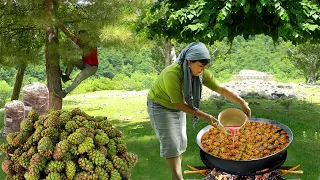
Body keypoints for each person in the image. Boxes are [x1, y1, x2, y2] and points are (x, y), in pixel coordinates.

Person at [147, 42, 251, 180]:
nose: (202, 70)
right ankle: (178, 178)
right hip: (160, 106)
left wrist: (242, 102)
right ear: (189, 62)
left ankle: (176, 177)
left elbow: (221, 89)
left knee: (180, 143)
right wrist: (205, 116)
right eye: (200, 66)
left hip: (177, 106)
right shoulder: (172, 74)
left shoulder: (200, 74)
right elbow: (179, 104)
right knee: (171, 144)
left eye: (205, 67)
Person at [54, 24, 99, 98]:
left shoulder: (92, 43)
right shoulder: (80, 41)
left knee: (79, 77)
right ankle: (66, 76)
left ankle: (65, 92)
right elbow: (68, 34)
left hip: (92, 67)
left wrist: (75, 40)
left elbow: (83, 51)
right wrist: (60, 24)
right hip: (84, 63)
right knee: (72, 60)